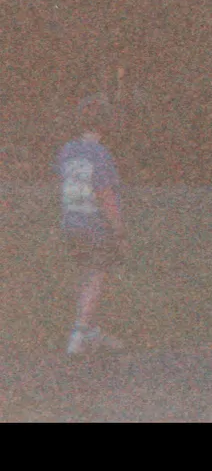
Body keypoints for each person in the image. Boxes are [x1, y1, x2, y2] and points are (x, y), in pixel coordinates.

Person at [56, 94, 127, 355]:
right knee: (98, 274)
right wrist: (118, 228)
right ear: (105, 124)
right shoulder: (101, 154)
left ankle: (90, 328)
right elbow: (105, 193)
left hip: (71, 220)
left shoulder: (68, 151)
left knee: (85, 273)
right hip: (94, 223)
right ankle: (80, 332)